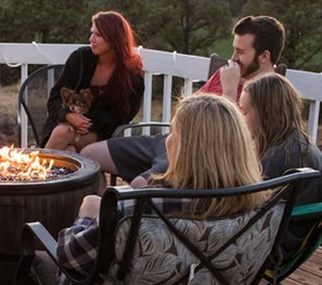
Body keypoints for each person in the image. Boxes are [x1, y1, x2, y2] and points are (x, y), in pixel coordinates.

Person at [56, 93, 269, 285]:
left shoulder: (138, 208)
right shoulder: (260, 208)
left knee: (38, 258)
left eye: (173, 132)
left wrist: (86, 215)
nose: (166, 140)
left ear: (186, 149)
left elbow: (72, 260)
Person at [82, 15, 286, 188]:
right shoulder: (227, 72)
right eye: (234, 49)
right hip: (169, 139)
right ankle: (92, 219)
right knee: (88, 156)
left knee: (139, 185)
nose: (232, 58)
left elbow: (232, 145)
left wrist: (230, 92)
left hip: (192, 153)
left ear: (264, 56)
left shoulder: (269, 95)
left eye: (240, 52)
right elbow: (185, 112)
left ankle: (111, 225)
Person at [240, 72, 322, 255]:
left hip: (270, 249)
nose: (240, 119)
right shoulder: (299, 145)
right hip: (292, 244)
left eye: (244, 112)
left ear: (266, 113)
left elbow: (245, 210)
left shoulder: (279, 158)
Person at [41, 11, 144, 151]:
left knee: (63, 133)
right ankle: (89, 174)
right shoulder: (80, 59)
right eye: (91, 33)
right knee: (69, 150)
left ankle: (39, 171)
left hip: (100, 133)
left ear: (115, 38)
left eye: (98, 35)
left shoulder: (131, 75)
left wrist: (86, 122)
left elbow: (122, 117)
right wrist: (68, 115)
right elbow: (54, 99)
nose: (91, 39)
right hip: (62, 123)